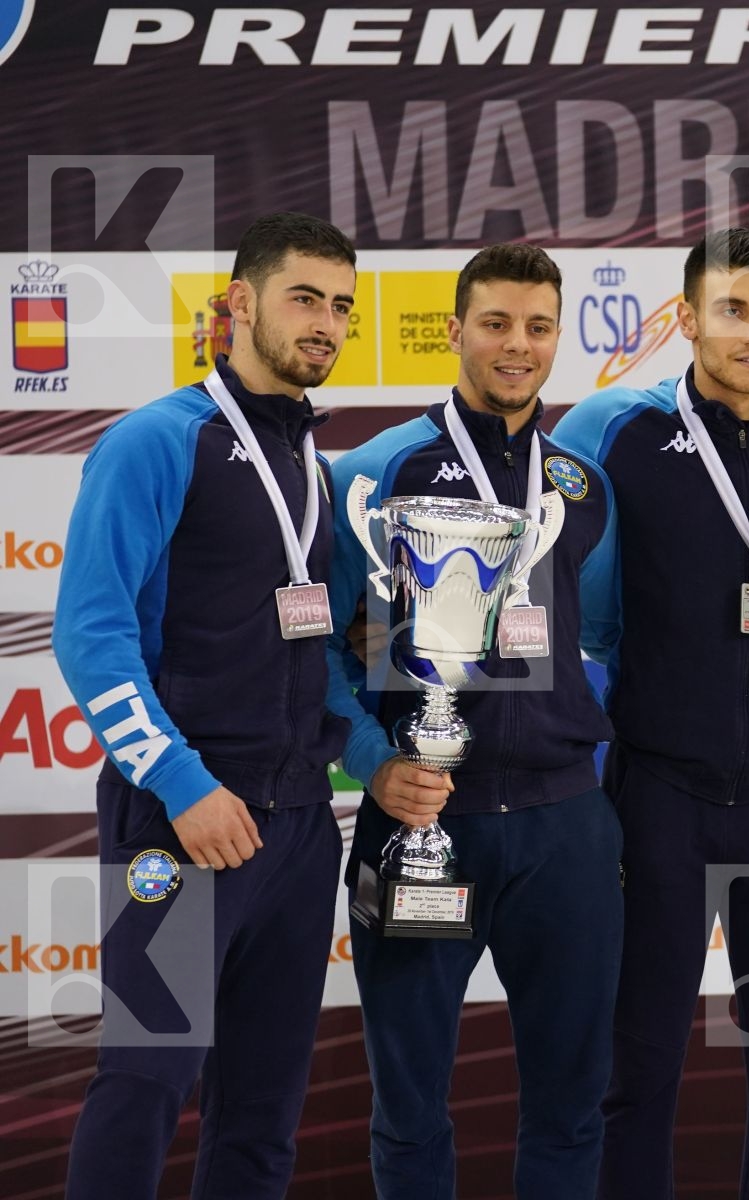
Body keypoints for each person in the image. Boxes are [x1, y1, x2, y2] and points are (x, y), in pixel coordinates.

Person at [555, 227, 749, 1200]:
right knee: (635, 1070)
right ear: (688, 319)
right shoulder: (615, 429)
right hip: (656, 797)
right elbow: (569, 608)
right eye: (731, 310)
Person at [53, 211, 357, 1199]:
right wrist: (183, 784)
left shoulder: (312, 461)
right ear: (238, 304)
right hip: (180, 828)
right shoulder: (155, 440)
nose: (325, 323)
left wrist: (353, 746)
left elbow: (315, 640)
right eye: (304, 298)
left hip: (301, 830)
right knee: (145, 1080)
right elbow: (91, 638)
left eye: (342, 307)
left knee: (263, 1115)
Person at [323, 244, 623, 1199]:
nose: (518, 345)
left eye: (538, 326)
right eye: (495, 323)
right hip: (418, 818)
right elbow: (321, 656)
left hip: (565, 825)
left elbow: (603, 640)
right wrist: (374, 763)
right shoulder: (376, 471)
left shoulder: (582, 485)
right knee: (409, 1108)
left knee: (573, 1104)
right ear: (454, 331)